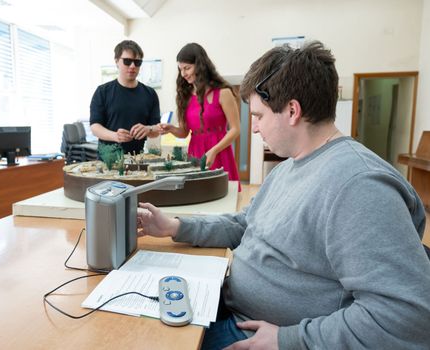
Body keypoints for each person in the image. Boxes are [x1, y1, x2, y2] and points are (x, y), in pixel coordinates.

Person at [138, 41, 430, 349]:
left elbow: (407, 316)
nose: (253, 129)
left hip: (261, 335)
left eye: (260, 116)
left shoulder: (359, 186)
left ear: (292, 111)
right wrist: (175, 226)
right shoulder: (289, 167)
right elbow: (244, 225)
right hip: (230, 306)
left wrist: (288, 340)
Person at [159, 43, 240, 185]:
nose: (183, 74)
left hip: (219, 152)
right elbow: (184, 133)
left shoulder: (223, 93)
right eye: (181, 69)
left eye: (187, 68)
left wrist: (214, 150)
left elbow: (235, 129)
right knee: (198, 195)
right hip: (195, 152)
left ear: (200, 65)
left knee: (222, 197)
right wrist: (171, 129)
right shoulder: (185, 97)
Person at [90, 40, 160, 155]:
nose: (132, 66)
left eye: (137, 62)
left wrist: (148, 129)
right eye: (127, 61)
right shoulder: (102, 92)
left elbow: (156, 129)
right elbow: (95, 127)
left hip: (138, 160)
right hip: (109, 161)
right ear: (117, 61)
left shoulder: (150, 94)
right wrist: (115, 136)